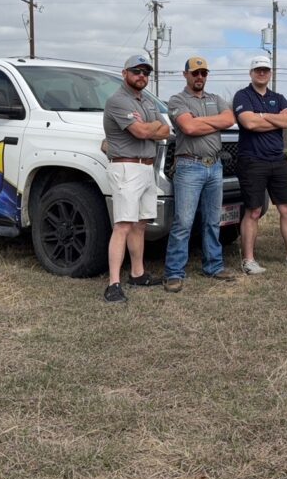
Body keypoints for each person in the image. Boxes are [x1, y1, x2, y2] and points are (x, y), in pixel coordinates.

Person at [163, 57, 238, 293]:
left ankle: (213, 266)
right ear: (185, 74)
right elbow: (189, 128)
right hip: (189, 166)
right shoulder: (177, 99)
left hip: (215, 166)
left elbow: (230, 119)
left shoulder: (215, 99)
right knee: (183, 222)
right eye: (195, 73)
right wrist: (212, 123)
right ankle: (174, 272)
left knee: (212, 221)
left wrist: (200, 121)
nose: (200, 77)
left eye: (204, 73)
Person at [232, 56, 287, 274]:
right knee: (254, 211)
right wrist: (275, 118)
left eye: (266, 70)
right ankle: (248, 261)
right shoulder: (243, 95)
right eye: (258, 70)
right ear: (251, 72)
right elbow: (248, 123)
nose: (262, 73)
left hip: (278, 161)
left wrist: (262, 117)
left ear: (270, 73)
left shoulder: (279, 97)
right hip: (252, 161)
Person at [101, 53, 169, 304]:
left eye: (146, 72)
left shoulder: (147, 101)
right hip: (126, 168)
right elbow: (142, 131)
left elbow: (166, 130)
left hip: (146, 168)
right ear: (125, 73)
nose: (142, 76)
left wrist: (149, 128)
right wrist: (150, 128)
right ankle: (113, 284)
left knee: (140, 224)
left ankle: (137, 274)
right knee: (123, 225)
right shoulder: (118, 101)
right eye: (137, 71)